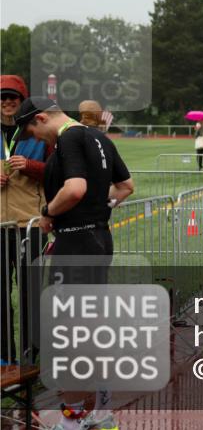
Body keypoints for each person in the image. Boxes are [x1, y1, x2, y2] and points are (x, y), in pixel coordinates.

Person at [16, 96, 133, 430]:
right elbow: (126, 187)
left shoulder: (68, 138)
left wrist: (48, 213)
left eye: (32, 132)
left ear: (41, 119)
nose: (37, 140)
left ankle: (73, 418)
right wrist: (99, 207)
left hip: (76, 244)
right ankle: (103, 412)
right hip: (98, 239)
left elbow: (75, 188)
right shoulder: (98, 136)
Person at [0, 75, 49, 366]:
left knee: (31, 294)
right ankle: (4, 359)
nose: (7, 102)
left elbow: (57, 172)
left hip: (29, 226)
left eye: (13, 98)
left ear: (22, 101)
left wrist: (30, 166)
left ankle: (32, 358)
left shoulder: (37, 133)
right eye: (2, 97)